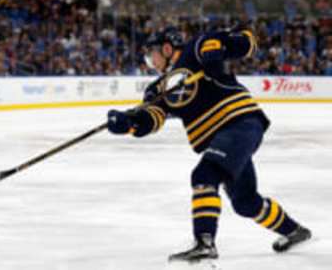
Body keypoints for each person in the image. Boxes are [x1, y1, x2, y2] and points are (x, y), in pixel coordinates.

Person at [106, 26, 311, 262]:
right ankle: (295, 231)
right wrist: (129, 122)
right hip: (222, 139)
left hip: (240, 123)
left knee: (204, 175)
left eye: (152, 52)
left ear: (166, 48)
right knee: (245, 201)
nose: (150, 59)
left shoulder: (195, 49)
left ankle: (204, 243)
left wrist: (217, 48)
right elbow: (152, 118)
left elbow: (247, 41)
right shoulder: (157, 88)